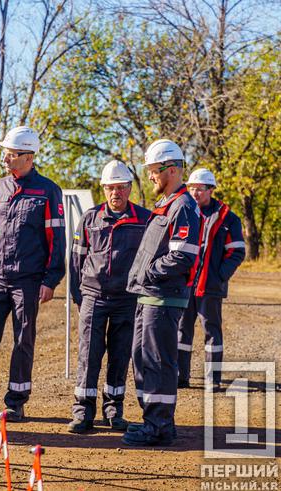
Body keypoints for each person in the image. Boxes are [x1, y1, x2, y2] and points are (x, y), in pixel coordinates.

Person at [0, 126, 66, 422]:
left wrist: (51, 280)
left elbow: (56, 240)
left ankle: (16, 402)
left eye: (11, 155)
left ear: (28, 156)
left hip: (28, 280)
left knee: (23, 341)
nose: (6, 160)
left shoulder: (48, 190)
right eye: (6, 154)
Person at [121, 139, 200, 446]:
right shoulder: (165, 205)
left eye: (154, 171)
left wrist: (148, 272)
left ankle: (159, 426)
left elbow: (183, 255)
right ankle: (153, 421)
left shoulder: (183, 206)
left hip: (164, 297)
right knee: (142, 359)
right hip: (149, 295)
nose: (150, 176)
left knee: (158, 360)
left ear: (170, 170)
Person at [67, 160, 151, 434]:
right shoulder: (90, 219)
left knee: (120, 355)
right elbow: (76, 261)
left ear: (129, 189)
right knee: (88, 354)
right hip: (94, 296)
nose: (116, 193)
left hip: (128, 300)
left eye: (121, 187)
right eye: (111, 188)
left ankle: (114, 411)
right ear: (103, 189)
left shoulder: (144, 219)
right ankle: (83, 412)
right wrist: (79, 297)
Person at [177, 169, 245, 391]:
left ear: (211, 190)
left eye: (200, 188)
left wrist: (219, 276)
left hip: (210, 286)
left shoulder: (227, 218)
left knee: (211, 332)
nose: (195, 192)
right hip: (185, 284)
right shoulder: (184, 212)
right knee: (181, 331)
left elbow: (237, 251)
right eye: (192, 188)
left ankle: (212, 379)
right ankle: (180, 376)